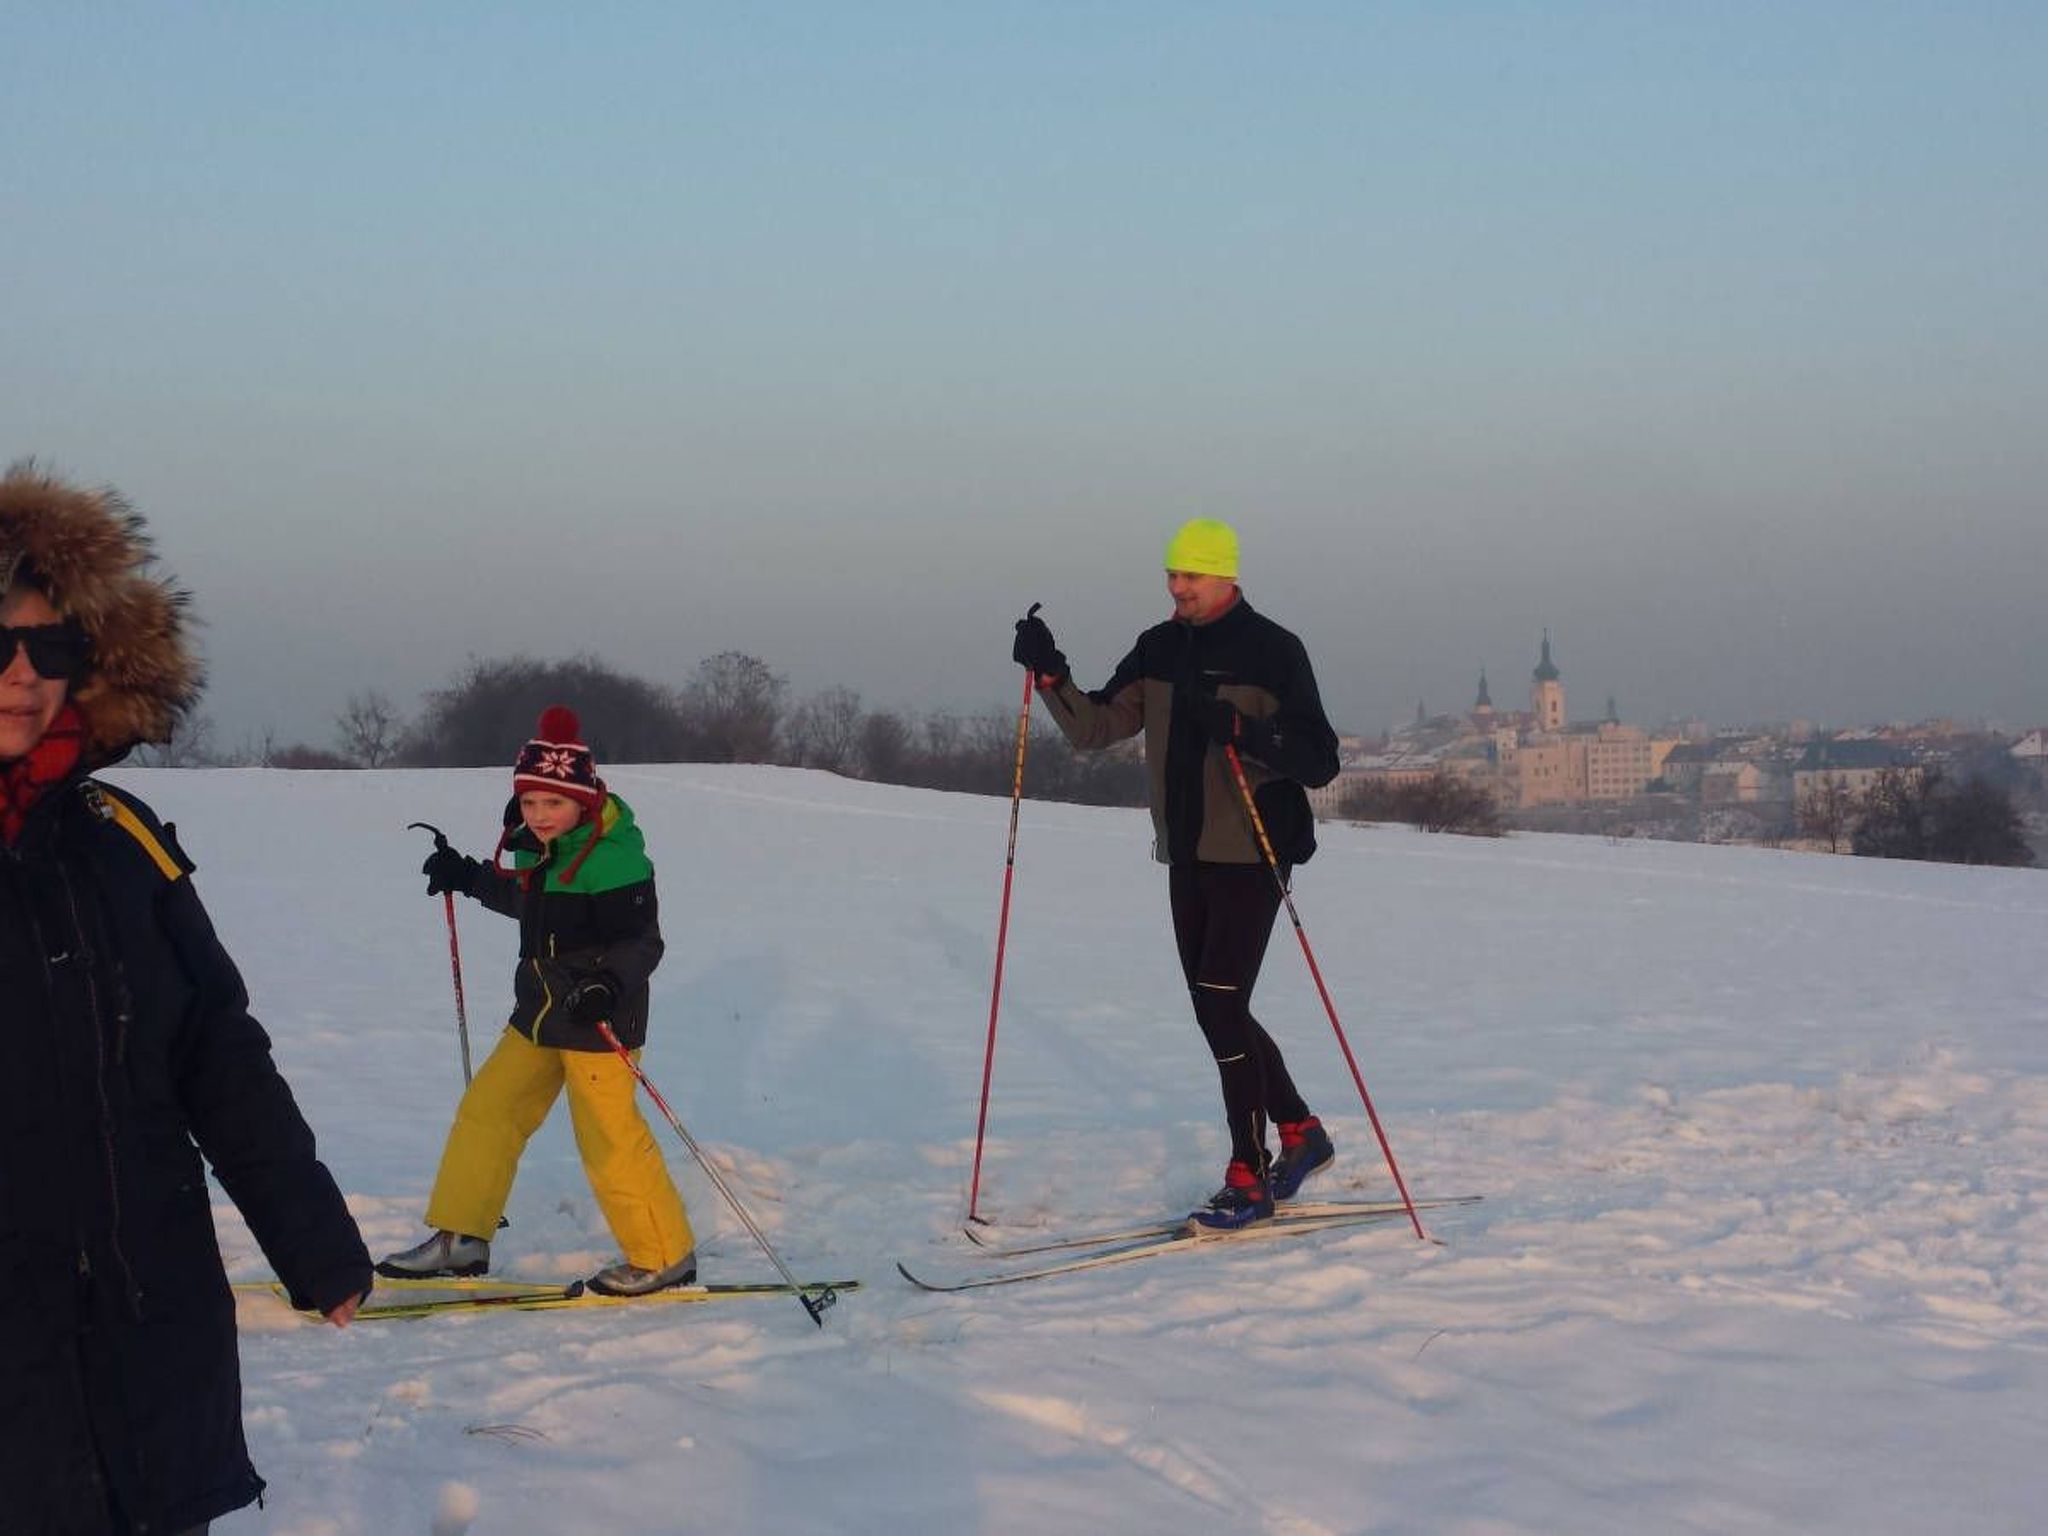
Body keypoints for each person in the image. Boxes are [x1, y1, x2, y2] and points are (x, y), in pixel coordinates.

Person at [0, 464, 371, 1536]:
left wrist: (309, 1235)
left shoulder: (123, 842)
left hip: (148, 1329)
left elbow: (216, 1047)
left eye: (53, 648)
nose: (23, 676)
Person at [1012, 517, 1343, 1229]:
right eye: (1171, 573)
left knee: (1220, 1003)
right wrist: (1051, 676)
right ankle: (1301, 1133)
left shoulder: (1273, 650)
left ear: (1224, 576)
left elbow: (1319, 757)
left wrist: (1244, 731)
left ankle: (1248, 1174)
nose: (1176, 587)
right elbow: (1095, 727)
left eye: (1190, 575)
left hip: (1254, 848)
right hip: (1186, 850)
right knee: (1213, 1006)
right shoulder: (1159, 648)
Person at [377, 706, 697, 1296]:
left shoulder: (614, 858)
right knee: (488, 1111)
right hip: (540, 1012)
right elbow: (531, 903)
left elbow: (641, 941)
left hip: (599, 1017)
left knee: (608, 1139)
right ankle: (462, 1238)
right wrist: (467, 876)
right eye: (529, 803)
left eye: (552, 803)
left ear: (582, 801)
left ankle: (663, 1255)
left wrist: (607, 984)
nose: (540, 816)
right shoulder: (536, 849)